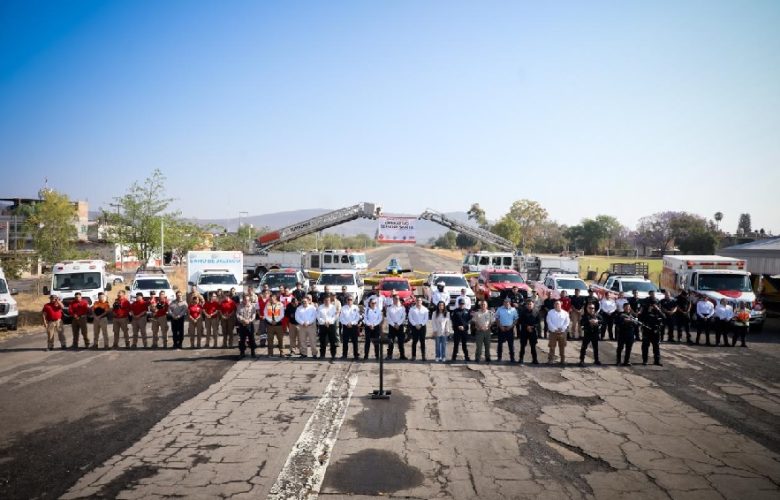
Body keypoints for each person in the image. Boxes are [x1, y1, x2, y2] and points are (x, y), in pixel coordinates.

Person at [640, 296, 664, 365]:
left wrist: (658, 310)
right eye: (652, 304)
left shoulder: (657, 310)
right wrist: (648, 311)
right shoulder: (645, 309)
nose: (653, 305)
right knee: (645, 346)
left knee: (656, 346)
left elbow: (664, 317)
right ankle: (645, 360)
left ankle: (657, 360)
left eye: (654, 304)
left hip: (655, 331)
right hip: (647, 330)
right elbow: (641, 318)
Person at [546, 300, 570, 365]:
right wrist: (555, 329)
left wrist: (562, 329)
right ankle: (551, 360)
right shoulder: (550, 312)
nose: (557, 305)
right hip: (553, 332)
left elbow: (567, 322)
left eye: (558, 304)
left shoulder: (565, 313)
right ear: (554, 305)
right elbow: (549, 321)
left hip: (562, 332)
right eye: (556, 304)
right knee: (552, 347)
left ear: (561, 305)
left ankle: (562, 360)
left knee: (562, 347)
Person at [578, 302, 602, 367]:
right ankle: (581, 360)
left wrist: (597, 321)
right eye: (590, 308)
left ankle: (596, 360)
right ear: (587, 308)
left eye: (593, 308)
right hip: (587, 333)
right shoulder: (584, 316)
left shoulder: (597, 315)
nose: (592, 309)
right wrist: (589, 321)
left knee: (595, 348)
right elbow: (581, 323)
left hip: (595, 334)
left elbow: (603, 321)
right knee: (584, 348)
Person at [495, 297, 518, 362]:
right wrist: (500, 326)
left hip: (510, 328)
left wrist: (511, 326)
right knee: (500, 344)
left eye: (507, 302)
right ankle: (499, 357)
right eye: (505, 302)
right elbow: (497, 318)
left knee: (511, 344)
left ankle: (512, 358)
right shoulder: (499, 309)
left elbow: (516, 319)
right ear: (503, 302)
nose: (506, 303)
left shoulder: (513, 310)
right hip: (501, 328)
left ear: (510, 302)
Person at [517, 299, 540, 364]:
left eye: (530, 304)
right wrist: (527, 326)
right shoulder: (523, 311)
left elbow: (538, 322)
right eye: (528, 304)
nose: (529, 305)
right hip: (524, 331)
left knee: (533, 346)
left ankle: (535, 359)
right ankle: (521, 359)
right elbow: (520, 321)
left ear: (533, 305)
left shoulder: (536, 311)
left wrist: (532, 327)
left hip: (533, 331)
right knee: (523, 346)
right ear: (526, 305)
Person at [385, 295, 407, 360]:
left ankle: (402, 355)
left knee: (401, 342)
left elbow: (403, 317)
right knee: (391, 341)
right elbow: (388, 318)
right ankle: (389, 355)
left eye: (397, 299)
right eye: (395, 299)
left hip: (400, 326)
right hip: (392, 326)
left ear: (399, 300)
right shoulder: (389, 308)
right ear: (393, 300)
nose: (396, 300)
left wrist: (398, 324)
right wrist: (394, 324)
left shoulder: (402, 308)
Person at [407, 296, 429, 361]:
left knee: (422, 342)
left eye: (420, 300)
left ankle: (423, 356)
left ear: (421, 301)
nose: (418, 302)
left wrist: (421, 324)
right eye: (417, 300)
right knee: (414, 342)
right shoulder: (412, 309)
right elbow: (410, 318)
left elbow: (426, 318)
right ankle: (413, 356)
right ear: (415, 301)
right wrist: (415, 325)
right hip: (414, 327)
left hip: (422, 327)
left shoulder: (425, 309)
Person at [316, 295, 338, 360]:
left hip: (331, 325)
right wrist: (324, 322)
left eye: (328, 300)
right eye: (325, 300)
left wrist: (329, 321)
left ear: (330, 301)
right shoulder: (320, 307)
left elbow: (335, 316)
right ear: (323, 301)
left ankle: (333, 355)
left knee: (332, 341)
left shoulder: (333, 307)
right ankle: (322, 355)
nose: (327, 301)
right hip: (322, 325)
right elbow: (318, 316)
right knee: (322, 341)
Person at [339, 295, 361, 360]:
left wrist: (352, 323)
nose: (349, 301)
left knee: (355, 341)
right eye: (348, 299)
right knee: (345, 341)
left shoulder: (356, 307)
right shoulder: (343, 308)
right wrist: (346, 323)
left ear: (353, 300)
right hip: (346, 326)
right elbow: (341, 318)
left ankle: (356, 355)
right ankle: (344, 355)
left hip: (353, 326)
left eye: (351, 300)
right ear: (346, 300)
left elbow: (357, 317)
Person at [236, 293, 257, 358]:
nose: (246, 301)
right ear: (243, 299)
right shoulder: (239, 306)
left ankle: (253, 352)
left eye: (247, 300)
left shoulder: (252, 306)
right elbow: (238, 314)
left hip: (250, 324)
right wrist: (243, 320)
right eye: (245, 300)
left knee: (251, 339)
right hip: (242, 324)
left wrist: (249, 321)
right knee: (242, 339)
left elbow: (254, 315)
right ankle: (242, 352)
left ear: (249, 300)